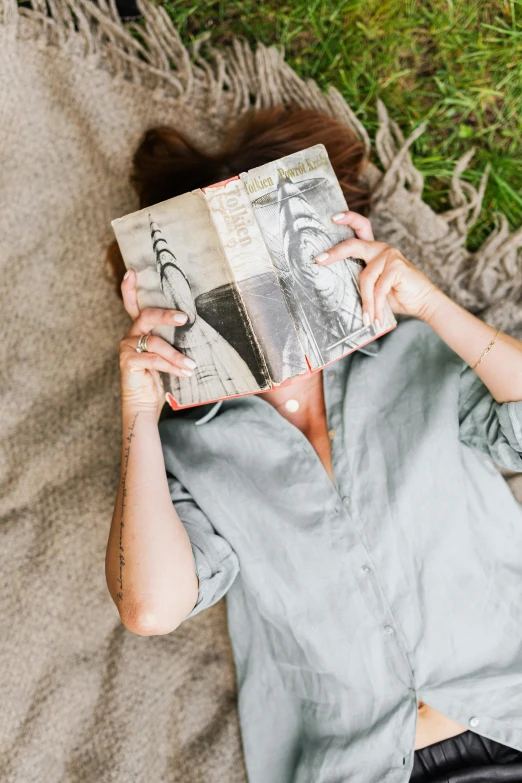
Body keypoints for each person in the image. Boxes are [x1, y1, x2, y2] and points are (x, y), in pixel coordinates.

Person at [105, 105, 522, 783]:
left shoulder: (422, 353)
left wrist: (429, 302)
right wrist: (137, 408)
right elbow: (150, 605)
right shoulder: (187, 451)